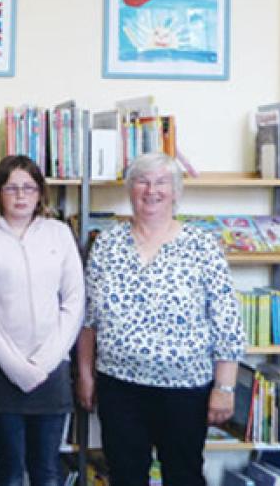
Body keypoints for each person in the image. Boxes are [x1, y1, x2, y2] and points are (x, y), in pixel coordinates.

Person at [76, 152, 244, 486]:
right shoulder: (107, 243)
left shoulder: (201, 245)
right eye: (142, 181)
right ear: (130, 189)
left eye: (161, 182)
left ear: (175, 191)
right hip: (119, 387)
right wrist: (84, 374)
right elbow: (88, 318)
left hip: (185, 390)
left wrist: (224, 387)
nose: (151, 190)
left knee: (183, 476)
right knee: (125, 476)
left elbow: (227, 319)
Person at [0, 155, 85, 486]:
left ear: (40, 193)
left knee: (46, 468)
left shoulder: (58, 234)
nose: (20, 196)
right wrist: (15, 366)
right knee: (9, 469)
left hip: (51, 370)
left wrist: (43, 362)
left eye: (28, 188)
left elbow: (74, 302)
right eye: (12, 188)